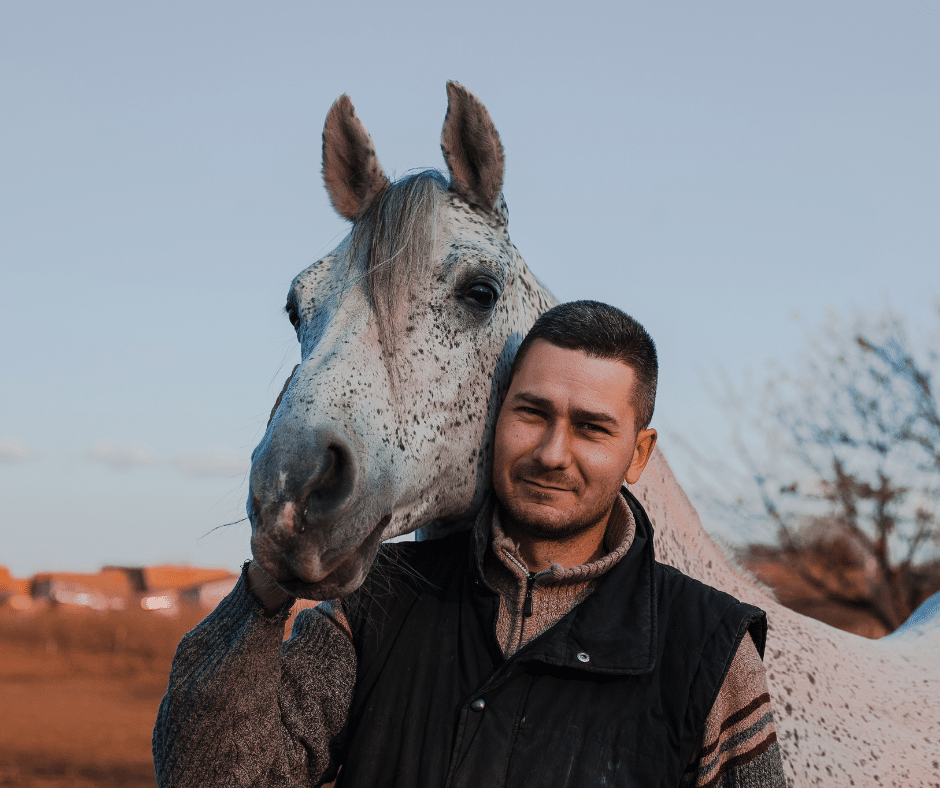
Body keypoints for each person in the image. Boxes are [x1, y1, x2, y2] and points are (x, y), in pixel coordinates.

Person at [154, 300, 787, 787]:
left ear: (638, 454)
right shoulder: (379, 600)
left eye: (592, 428)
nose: (551, 453)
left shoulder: (707, 646)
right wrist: (268, 581)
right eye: (532, 413)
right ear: (498, 414)